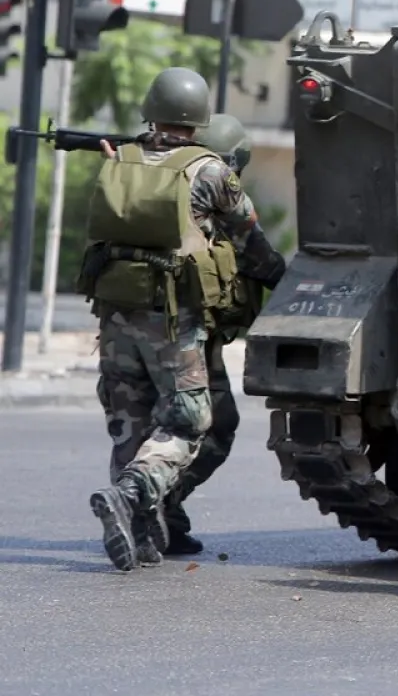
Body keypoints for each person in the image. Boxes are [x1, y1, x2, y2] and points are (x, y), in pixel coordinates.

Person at [84, 68, 282, 572]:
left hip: (113, 316)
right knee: (187, 421)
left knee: (130, 422)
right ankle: (132, 495)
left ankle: (145, 533)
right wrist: (283, 278)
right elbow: (250, 239)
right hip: (174, 322)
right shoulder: (212, 170)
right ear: (199, 118)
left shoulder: (121, 159)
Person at [155, 113, 286, 555]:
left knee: (143, 427)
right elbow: (259, 255)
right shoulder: (215, 186)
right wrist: (292, 289)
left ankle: (160, 517)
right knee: (212, 425)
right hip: (188, 331)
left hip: (138, 321)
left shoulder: (151, 177)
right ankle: (153, 505)